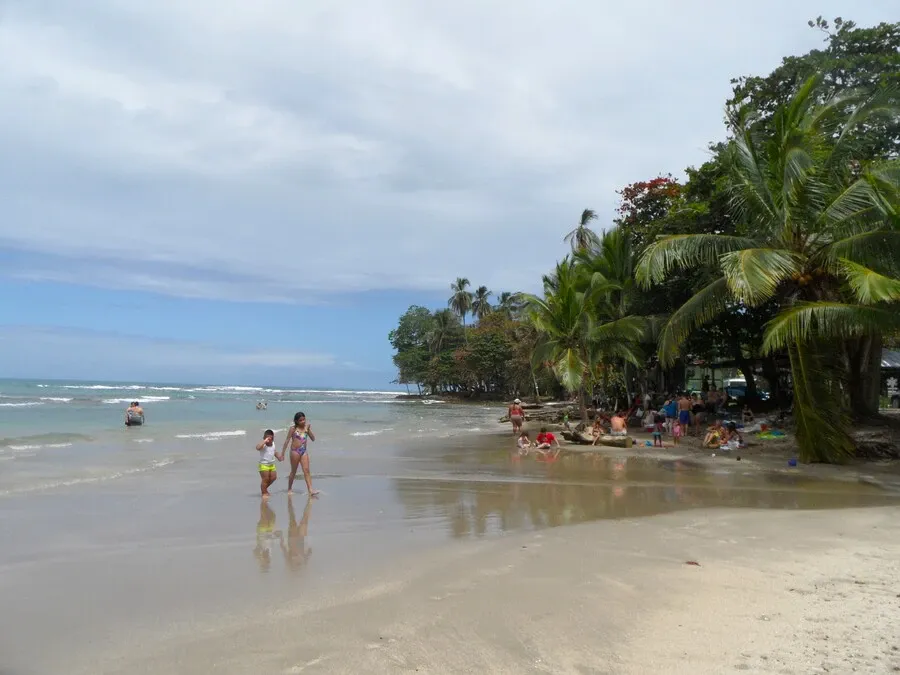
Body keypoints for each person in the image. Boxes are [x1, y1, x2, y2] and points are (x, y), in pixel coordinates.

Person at [281, 411, 318, 496]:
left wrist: (309, 430)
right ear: (296, 421)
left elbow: (313, 438)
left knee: (307, 470)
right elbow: (287, 441)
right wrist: (282, 453)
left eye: (304, 419)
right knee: (293, 471)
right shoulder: (293, 429)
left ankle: (310, 490)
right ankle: (289, 488)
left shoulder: (306, 428)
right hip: (295, 452)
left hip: (304, 451)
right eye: (301, 420)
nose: (303, 421)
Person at [281, 495, 313, 572]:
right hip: (298, 538)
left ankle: (291, 502)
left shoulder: (290, 561)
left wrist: (281, 538)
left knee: (295, 518)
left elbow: (284, 549)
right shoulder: (302, 561)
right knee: (302, 518)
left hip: (293, 539)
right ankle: (309, 502)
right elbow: (309, 552)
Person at [256, 429, 278, 499]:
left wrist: (279, 457)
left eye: (270, 438)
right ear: (264, 438)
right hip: (264, 464)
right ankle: (264, 493)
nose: (269, 440)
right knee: (265, 479)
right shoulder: (263, 445)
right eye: (267, 438)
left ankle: (264, 489)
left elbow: (274, 452)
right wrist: (264, 441)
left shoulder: (273, 444)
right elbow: (257, 447)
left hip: (272, 464)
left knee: (273, 477)